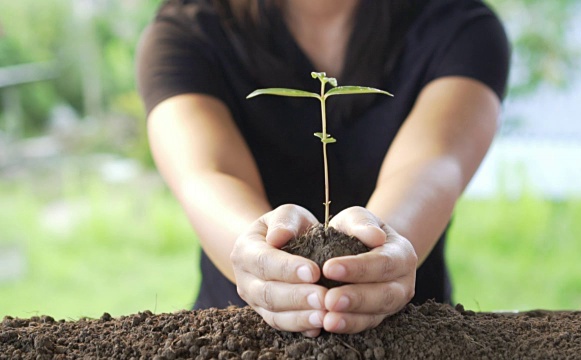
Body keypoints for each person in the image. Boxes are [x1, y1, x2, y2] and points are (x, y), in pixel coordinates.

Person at [136, 0, 509, 337]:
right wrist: (262, 259)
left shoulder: (460, 27)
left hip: (407, 337)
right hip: (239, 336)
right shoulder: (186, 31)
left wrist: (378, 252)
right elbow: (205, 174)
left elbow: (434, 163)